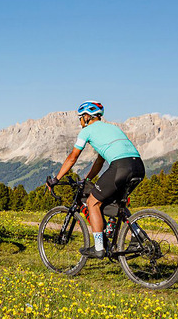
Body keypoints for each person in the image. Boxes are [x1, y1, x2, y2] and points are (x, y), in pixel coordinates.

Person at [46, 101, 145, 259]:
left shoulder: (87, 131)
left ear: (86, 117)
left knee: (93, 202)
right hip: (138, 166)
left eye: (80, 118)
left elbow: (72, 158)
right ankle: (138, 236)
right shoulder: (112, 128)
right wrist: (87, 179)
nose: (80, 121)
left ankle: (99, 247)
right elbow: (99, 161)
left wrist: (56, 179)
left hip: (120, 167)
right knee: (118, 204)